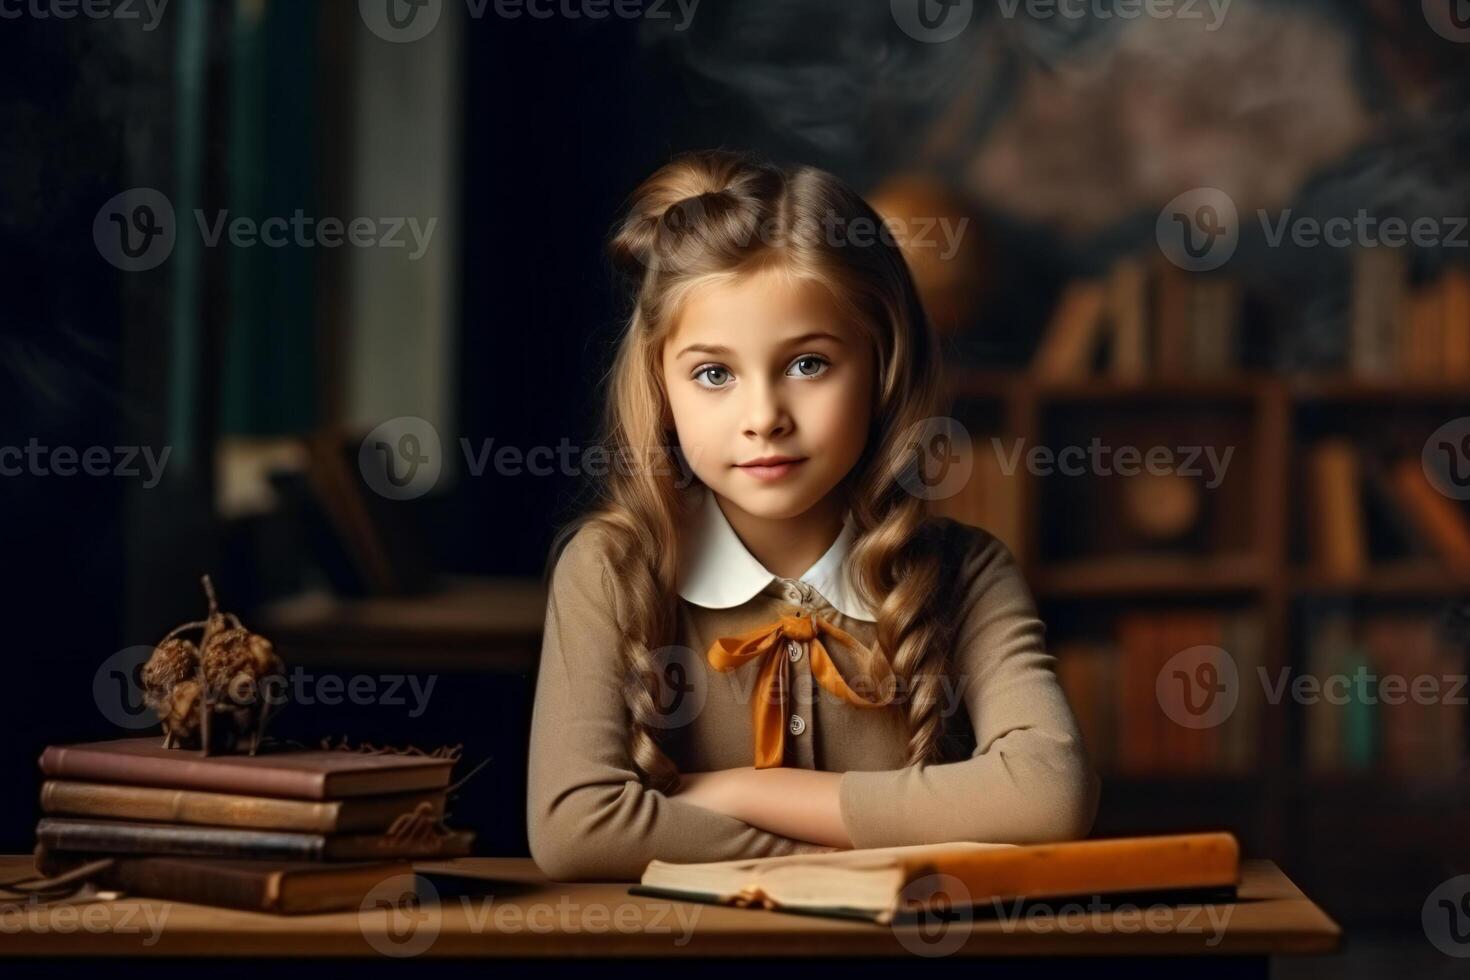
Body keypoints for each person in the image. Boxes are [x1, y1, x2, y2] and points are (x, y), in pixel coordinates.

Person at [526, 149, 1100, 882]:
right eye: (713, 374)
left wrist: (751, 792)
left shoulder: (966, 572)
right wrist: (833, 858)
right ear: (660, 386)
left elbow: (1049, 795)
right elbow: (578, 828)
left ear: (883, 364)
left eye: (808, 365)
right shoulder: (610, 568)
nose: (763, 418)